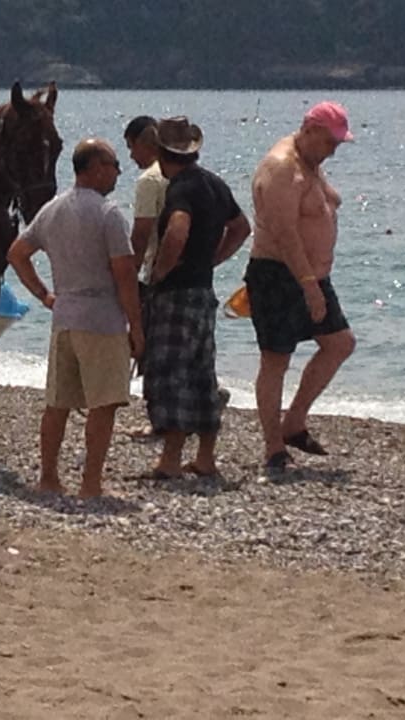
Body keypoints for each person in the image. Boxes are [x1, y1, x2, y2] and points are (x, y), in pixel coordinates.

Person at [7, 138, 144, 498]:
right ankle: (91, 483)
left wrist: (44, 295)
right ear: (96, 168)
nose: (118, 171)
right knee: (104, 402)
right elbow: (124, 275)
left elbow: (17, 254)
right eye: (114, 164)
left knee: (58, 403)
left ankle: (49, 476)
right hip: (101, 317)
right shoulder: (108, 213)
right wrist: (137, 327)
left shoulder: (52, 210)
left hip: (65, 314)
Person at [245, 101, 357, 473]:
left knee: (340, 344)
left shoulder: (311, 164)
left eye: (337, 144)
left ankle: (294, 421)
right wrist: (309, 285)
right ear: (308, 130)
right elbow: (285, 233)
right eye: (329, 142)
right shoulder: (281, 167)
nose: (333, 151)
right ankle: (273, 448)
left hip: (314, 275)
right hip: (279, 274)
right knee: (276, 358)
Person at [142, 117, 250, 479]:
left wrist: (161, 271)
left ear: (160, 152)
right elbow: (241, 227)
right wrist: (213, 259)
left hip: (177, 294)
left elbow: (177, 230)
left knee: (170, 373)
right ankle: (205, 456)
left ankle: (170, 459)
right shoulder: (214, 184)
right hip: (204, 290)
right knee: (202, 372)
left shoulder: (181, 188)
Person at [123, 116, 168, 282]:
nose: (131, 156)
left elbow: (141, 234)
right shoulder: (182, 174)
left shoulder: (149, 180)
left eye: (131, 147)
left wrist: (128, 279)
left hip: (160, 277)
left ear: (143, 144)